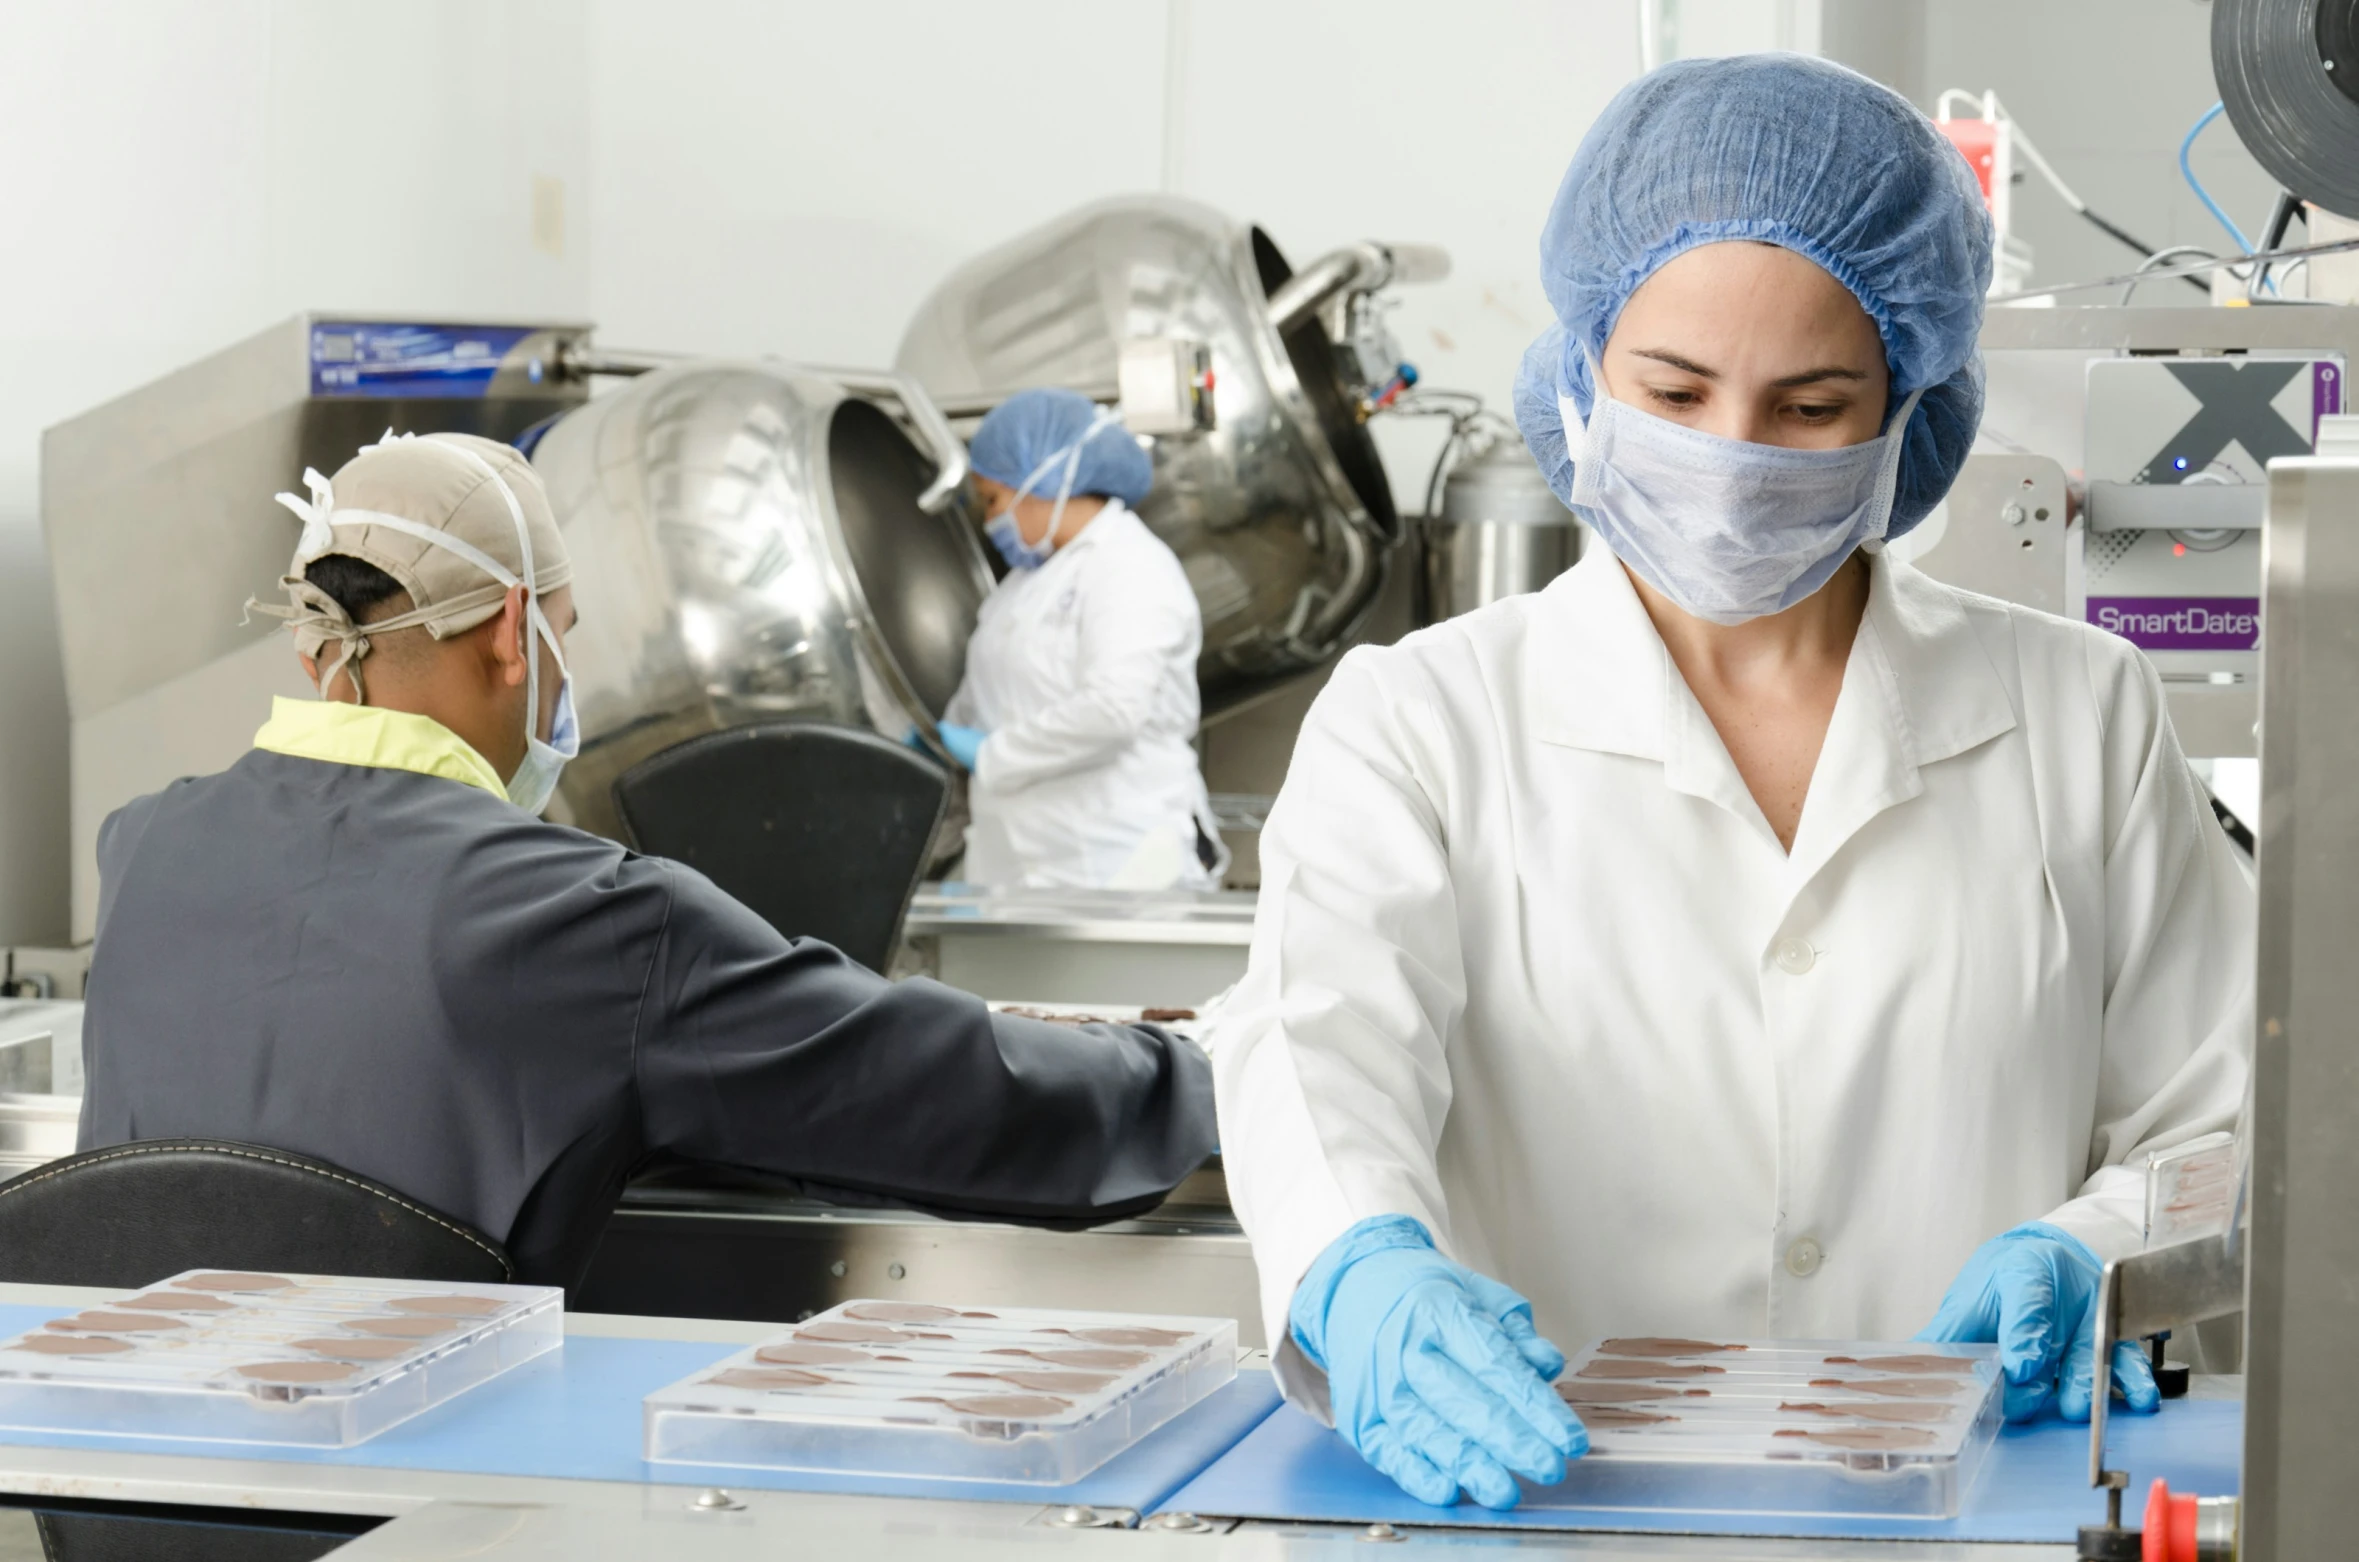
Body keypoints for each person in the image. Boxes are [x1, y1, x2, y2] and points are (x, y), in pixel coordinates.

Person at [1210, 55, 2252, 1510]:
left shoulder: (2076, 708)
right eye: (1674, 388)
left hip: (1962, 1513)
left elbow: (2223, 1109)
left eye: (1809, 404)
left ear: (1907, 406)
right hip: (1541, 1512)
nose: (1728, 456)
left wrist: (2099, 1247)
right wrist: (1358, 1266)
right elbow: (1316, 1062)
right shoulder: (1420, 719)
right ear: (1583, 372)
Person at [78, 432, 1217, 1288]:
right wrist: (1202, 1069)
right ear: (515, 633)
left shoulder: (141, 850)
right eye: (566, 634)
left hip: (146, 1496)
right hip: (429, 1508)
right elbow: (938, 1091)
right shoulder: (580, 919)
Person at [935, 387, 1229, 890]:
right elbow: (993, 691)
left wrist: (990, 754)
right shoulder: (1024, 583)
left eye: (993, 499)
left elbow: (1114, 710)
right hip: (1022, 867)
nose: (990, 521)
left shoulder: (1130, 566)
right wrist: (941, 734)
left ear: (1042, 478)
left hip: (1120, 862)